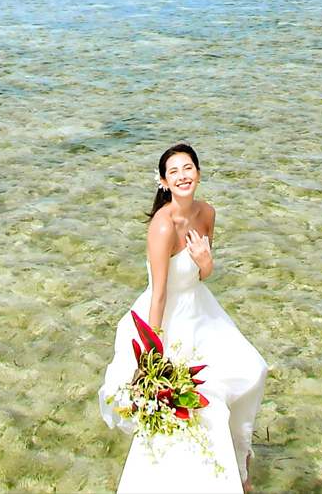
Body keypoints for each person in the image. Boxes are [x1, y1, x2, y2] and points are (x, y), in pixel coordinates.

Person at [99, 143, 270, 493]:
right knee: (201, 408)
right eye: (173, 171)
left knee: (253, 370)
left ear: (199, 173)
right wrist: (153, 355)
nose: (182, 176)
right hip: (169, 319)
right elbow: (159, 293)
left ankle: (237, 467)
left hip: (202, 309)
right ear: (164, 181)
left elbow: (203, 273)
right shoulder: (162, 227)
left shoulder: (207, 213)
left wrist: (205, 261)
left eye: (188, 168)